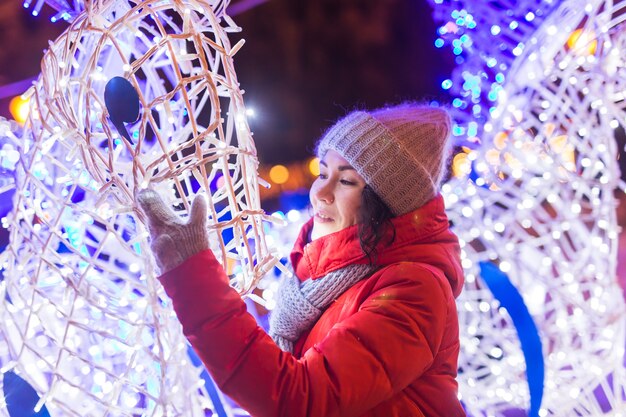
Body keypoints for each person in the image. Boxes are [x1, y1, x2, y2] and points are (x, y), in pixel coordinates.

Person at [137, 103, 466, 417]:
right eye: (323, 173)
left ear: (387, 203)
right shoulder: (314, 273)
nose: (321, 192)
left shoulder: (413, 290)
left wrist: (193, 274)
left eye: (346, 181)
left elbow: (299, 399)